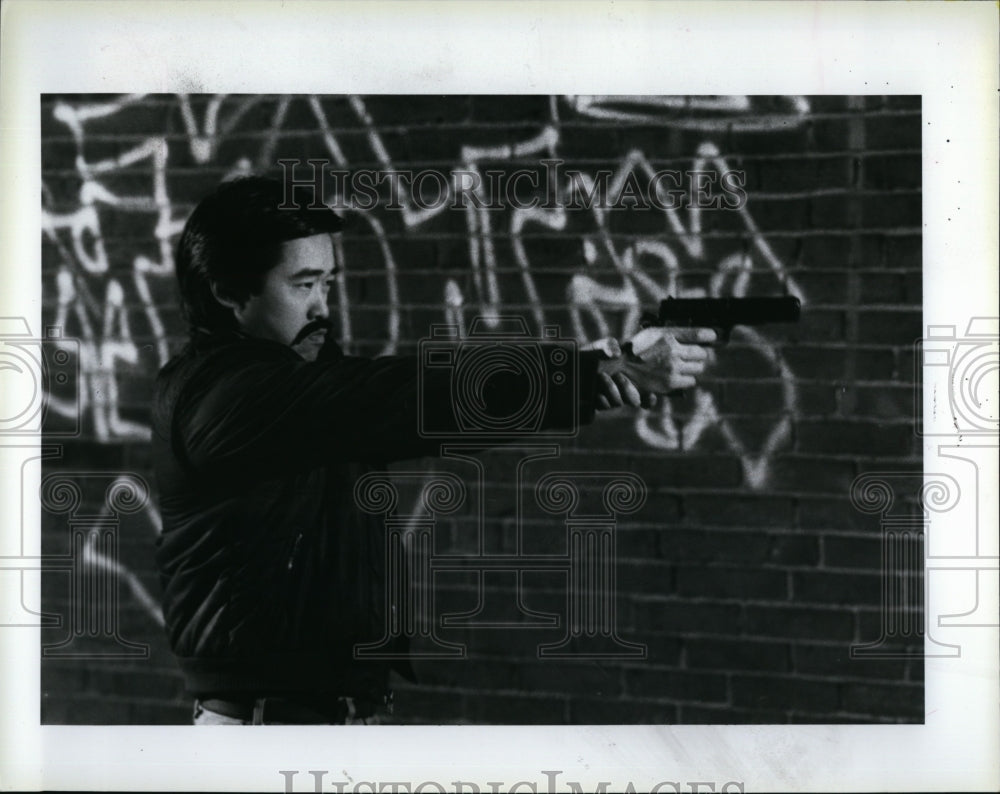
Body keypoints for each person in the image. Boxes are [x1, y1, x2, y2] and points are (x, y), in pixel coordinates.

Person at [152, 175, 715, 725]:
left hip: (322, 717)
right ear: (227, 291)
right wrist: (590, 373)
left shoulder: (296, 384)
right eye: (303, 285)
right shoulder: (226, 397)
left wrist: (598, 360)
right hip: (268, 730)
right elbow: (414, 395)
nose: (323, 306)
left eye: (329, 283)